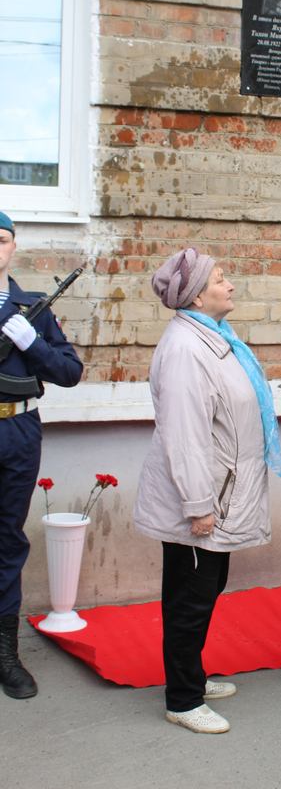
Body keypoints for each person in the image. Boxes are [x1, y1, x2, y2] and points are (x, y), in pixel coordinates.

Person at [134, 247, 281, 733]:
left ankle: (191, 678)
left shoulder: (214, 337)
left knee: (204, 590)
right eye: (220, 279)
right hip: (202, 499)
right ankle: (182, 699)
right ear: (197, 295)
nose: (230, 285)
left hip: (220, 491)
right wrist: (198, 505)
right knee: (189, 599)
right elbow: (185, 435)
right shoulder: (185, 350)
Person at [0, 211, 83, 699]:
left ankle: (6, 654)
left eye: (2, 239)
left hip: (18, 430)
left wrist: (32, 344)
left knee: (7, 539)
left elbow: (70, 372)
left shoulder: (32, 308)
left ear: (13, 247)